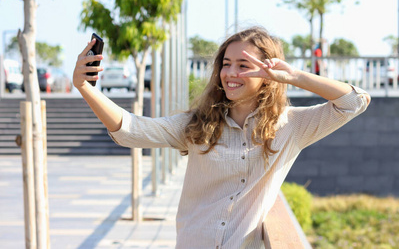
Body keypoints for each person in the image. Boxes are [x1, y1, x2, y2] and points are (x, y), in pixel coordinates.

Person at [73, 27, 370, 249]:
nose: (230, 72)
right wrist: (86, 89)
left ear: (269, 71)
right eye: (226, 64)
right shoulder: (197, 125)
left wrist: (294, 76)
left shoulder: (291, 126)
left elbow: (355, 102)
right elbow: (132, 131)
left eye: (243, 65)